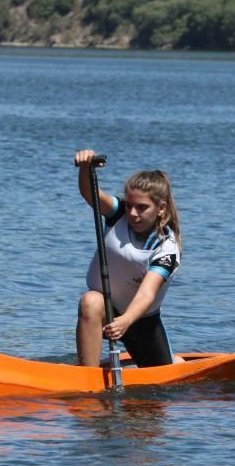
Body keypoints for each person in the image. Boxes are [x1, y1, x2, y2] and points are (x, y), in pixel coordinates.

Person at [74, 149, 182, 368]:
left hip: (141, 321)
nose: (132, 213)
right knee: (90, 301)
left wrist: (125, 321)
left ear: (161, 208)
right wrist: (85, 169)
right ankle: (87, 374)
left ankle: (176, 362)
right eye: (130, 205)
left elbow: (146, 294)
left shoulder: (166, 248)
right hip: (106, 309)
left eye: (142, 208)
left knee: (164, 375)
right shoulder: (118, 214)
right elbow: (90, 194)